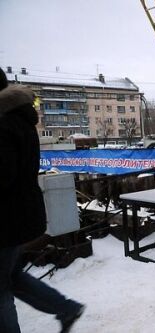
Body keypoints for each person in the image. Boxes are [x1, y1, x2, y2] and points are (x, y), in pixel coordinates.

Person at [0, 68, 85, 333]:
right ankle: (66, 308)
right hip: (21, 214)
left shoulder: (3, 125)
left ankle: (65, 308)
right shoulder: (18, 119)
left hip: (6, 219)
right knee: (10, 277)